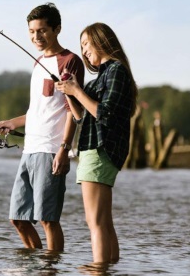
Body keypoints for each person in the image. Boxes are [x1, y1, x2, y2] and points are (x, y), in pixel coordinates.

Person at [0, 2, 85, 251]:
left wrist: (64, 149)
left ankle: (51, 268)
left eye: (42, 30)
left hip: (51, 151)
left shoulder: (70, 61)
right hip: (29, 150)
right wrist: (11, 123)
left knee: (48, 219)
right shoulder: (37, 63)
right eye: (32, 31)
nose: (36, 37)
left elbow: (73, 112)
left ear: (57, 29)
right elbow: (37, 110)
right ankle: (37, 265)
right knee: (18, 219)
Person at [55, 22, 138, 263]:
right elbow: (82, 117)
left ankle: (98, 269)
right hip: (94, 151)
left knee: (95, 222)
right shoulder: (99, 79)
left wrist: (77, 92)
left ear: (101, 40)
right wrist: (70, 93)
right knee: (103, 222)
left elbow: (105, 113)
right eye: (81, 47)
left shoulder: (116, 72)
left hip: (100, 151)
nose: (83, 50)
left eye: (86, 43)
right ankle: (108, 268)